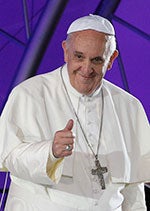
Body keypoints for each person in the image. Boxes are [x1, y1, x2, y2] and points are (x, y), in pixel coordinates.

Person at [0, 14, 150, 211]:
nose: (86, 69)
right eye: (79, 57)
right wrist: (50, 151)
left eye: (97, 60)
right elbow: (8, 155)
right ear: (65, 51)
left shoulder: (129, 107)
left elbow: (133, 186)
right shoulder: (29, 94)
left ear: (111, 59)